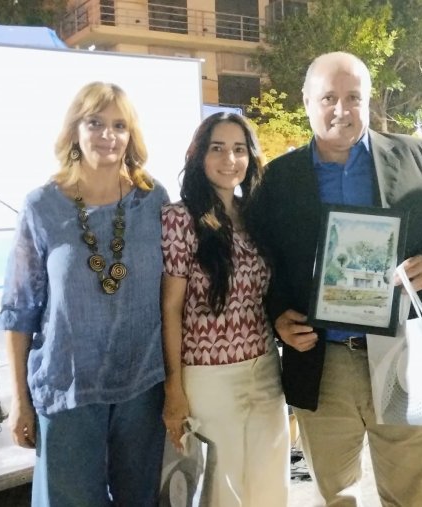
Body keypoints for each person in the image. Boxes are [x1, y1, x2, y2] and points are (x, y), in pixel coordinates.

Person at [246, 51, 422, 507]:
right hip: (323, 362)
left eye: (353, 97)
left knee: (412, 492)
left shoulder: (412, 154)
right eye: (328, 98)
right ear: (306, 102)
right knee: (338, 495)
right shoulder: (276, 179)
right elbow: (260, 262)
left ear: (368, 102)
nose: (341, 109)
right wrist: (277, 318)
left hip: (406, 349)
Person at [0, 82, 168, 506]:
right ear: (75, 130)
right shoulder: (41, 205)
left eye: (119, 125)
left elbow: (174, 293)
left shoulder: (154, 200)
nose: (107, 135)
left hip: (142, 387)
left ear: (131, 137)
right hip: (68, 386)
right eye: (95, 123)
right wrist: (19, 401)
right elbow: (19, 311)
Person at [161, 112, 289, 506]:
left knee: (270, 483)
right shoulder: (179, 218)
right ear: (199, 155)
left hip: (264, 368)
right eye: (217, 148)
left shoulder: (255, 216)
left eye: (239, 149)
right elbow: (170, 309)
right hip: (208, 376)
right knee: (223, 489)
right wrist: (174, 390)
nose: (229, 159)